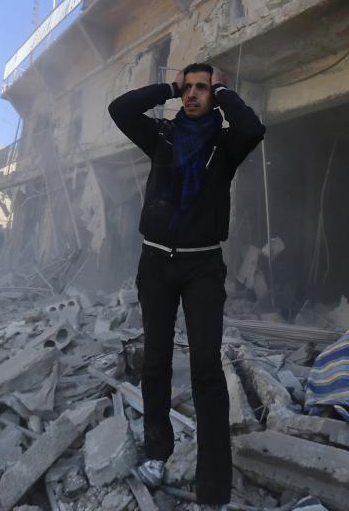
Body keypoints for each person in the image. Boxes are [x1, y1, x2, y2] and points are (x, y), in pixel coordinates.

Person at [109, 63, 266, 507]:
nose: (194, 94)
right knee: (155, 363)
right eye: (188, 87)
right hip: (156, 262)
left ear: (213, 94)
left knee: (206, 372)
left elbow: (254, 127)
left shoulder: (226, 141)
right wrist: (168, 86)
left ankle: (213, 487)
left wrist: (225, 89)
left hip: (202, 268)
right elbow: (119, 109)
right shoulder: (161, 135)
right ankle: (157, 453)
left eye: (202, 88)